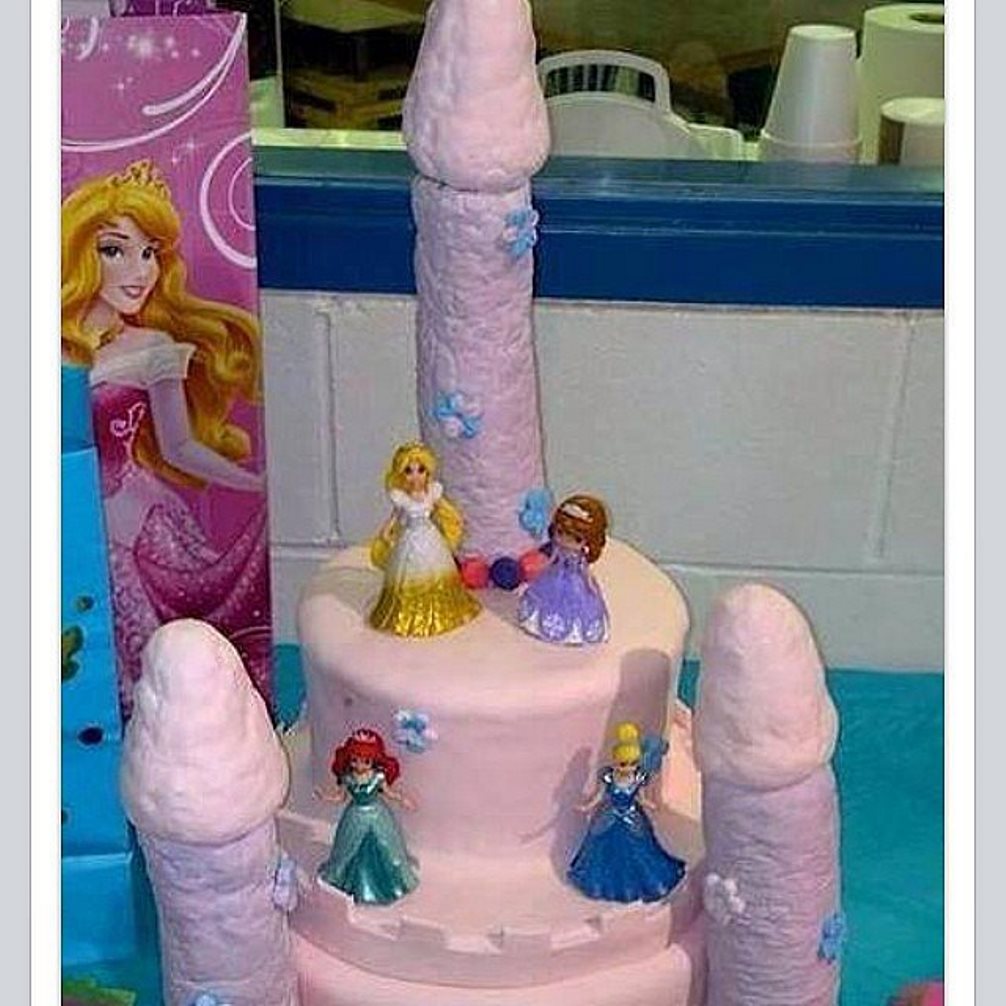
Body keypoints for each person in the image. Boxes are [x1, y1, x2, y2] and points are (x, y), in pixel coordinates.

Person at [61, 159, 269, 715]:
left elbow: (179, 446)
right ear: (79, 252)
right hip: (65, 515)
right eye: (114, 250)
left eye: (149, 252)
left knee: (156, 659)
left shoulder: (152, 347)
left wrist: (250, 482)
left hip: (135, 521)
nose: (139, 270)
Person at [368, 441, 481, 637]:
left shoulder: (432, 493)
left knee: (437, 572)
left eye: (420, 470)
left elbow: (444, 513)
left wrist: (451, 528)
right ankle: (408, 614)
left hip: (430, 538)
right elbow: (393, 521)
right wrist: (387, 536)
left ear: (428, 472)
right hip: (409, 540)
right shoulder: (401, 498)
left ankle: (439, 609)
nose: (415, 476)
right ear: (401, 474)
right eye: (409, 471)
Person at [568, 722, 686, 902]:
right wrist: (587, 806)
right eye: (623, 764)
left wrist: (650, 804)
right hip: (609, 817)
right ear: (616, 761)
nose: (628, 767)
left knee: (639, 852)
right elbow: (599, 796)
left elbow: (641, 797)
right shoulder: (608, 776)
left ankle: (636, 883)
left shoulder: (638, 778)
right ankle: (608, 884)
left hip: (632, 818)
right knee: (605, 853)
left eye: (633, 763)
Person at [315, 729, 419, 905]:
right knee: (348, 848)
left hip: (377, 815)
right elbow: (340, 797)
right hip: (354, 816)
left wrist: (403, 800)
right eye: (355, 760)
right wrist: (324, 797)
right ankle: (350, 880)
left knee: (386, 847)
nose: (359, 765)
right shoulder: (348, 778)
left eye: (365, 761)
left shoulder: (378, 777)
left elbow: (390, 793)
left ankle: (388, 883)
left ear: (373, 760)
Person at [517, 494, 609, 645]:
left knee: (577, 601)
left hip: (574, 580)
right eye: (560, 532)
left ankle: (573, 630)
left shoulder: (579, 560)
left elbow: (585, 572)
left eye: (577, 539)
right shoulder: (557, 551)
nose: (565, 540)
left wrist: (589, 584)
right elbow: (551, 560)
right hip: (554, 575)